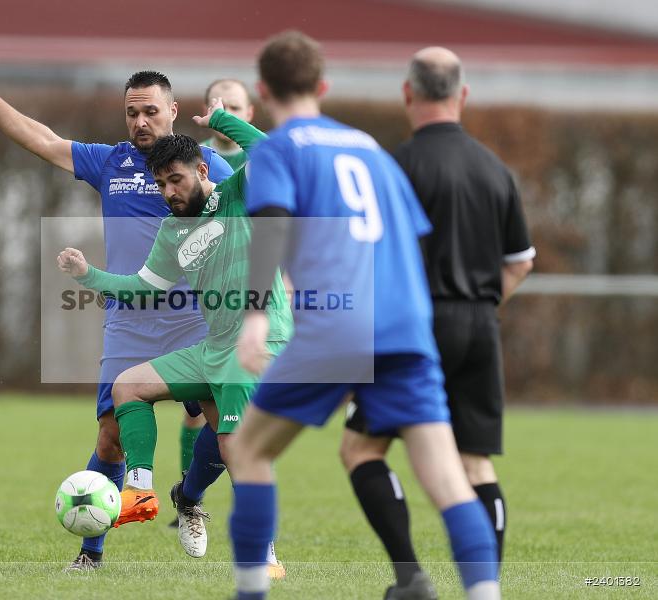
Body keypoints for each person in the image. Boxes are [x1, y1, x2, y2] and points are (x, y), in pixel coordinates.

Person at [228, 31, 501, 600]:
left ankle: (250, 592)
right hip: (407, 327)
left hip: (338, 323)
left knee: (251, 451)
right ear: (323, 86)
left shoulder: (279, 148)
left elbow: (273, 225)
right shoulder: (374, 150)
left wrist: (256, 316)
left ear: (263, 89)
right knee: (449, 480)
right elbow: (410, 240)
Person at [0, 64, 232, 572]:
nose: (141, 121)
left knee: (226, 430)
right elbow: (45, 141)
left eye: (151, 110)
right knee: (110, 435)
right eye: (132, 112)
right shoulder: (112, 163)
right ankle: (90, 554)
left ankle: (189, 497)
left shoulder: (207, 165)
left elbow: (258, 209)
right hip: (130, 321)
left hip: (196, 320)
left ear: (172, 111)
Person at [57, 102, 287, 578]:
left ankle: (262, 555)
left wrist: (221, 121)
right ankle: (140, 488)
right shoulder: (173, 229)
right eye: (160, 184)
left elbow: (271, 152)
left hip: (255, 345)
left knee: (237, 450)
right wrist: (88, 275)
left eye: (176, 180)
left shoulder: (237, 194)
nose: (168, 192)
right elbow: (143, 287)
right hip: (213, 349)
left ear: (203, 169)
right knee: (128, 387)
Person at [340, 47, 535, 585]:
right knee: (474, 466)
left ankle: (410, 578)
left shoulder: (395, 168)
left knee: (361, 448)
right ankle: (485, 587)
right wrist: (478, 306)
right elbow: (520, 262)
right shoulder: (495, 169)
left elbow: (364, 263)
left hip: (415, 331)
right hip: (480, 325)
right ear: (462, 95)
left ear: (408, 93)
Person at [170, 78, 257, 533]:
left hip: (258, 306)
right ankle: (257, 545)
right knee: (224, 422)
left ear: (250, 111)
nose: (225, 112)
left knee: (231, 422)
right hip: (207, 310)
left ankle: (188, 497)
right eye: (217, 106)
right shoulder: (193, 163)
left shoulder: (245, 167)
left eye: (235, 107)